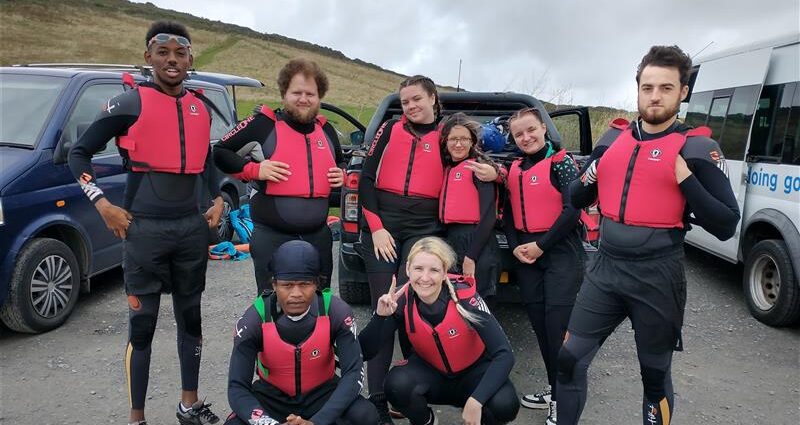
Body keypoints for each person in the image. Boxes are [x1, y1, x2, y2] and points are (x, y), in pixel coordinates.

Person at [557, 45, 740, 425]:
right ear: (638, 88)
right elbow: (575, 197)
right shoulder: (612, 140)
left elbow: (725, 224)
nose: (655, 96)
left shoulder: (697, 148)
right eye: (648, 87)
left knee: (654, 376)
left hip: (658, 273)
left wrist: (686, 179)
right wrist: (593, 171)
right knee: (570, 359)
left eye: (666, 88)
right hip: (606, 268)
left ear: (683, 92)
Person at [68, 21, 222, 425]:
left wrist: (219, 198)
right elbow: (78, 154)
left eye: (180, 53)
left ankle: (189, 405)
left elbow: (207, 164)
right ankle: (136, 417)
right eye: (163, 52)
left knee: (192, 319)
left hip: (190, 230)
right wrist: (101, 203)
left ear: (191, 60)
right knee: (143, 327)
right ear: (148, 57)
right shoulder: (129, 103)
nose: (172, 60)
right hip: (144, 231)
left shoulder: (200, 107)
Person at [356, 75, 498, 423]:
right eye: (405, 101)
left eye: (417, 99)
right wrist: (376, 228)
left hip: (423, 228)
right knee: (384, 307)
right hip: (384, 226)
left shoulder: (447, 135)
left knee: (409, 310)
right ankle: (376, 399)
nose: (411, 106)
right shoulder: (389, 130)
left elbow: (475, 161)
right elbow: (366, 178)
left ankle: (410, 390)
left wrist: (498, 174)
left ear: (433, 98)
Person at [213, 58, 344, 295]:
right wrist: (254, 170)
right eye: (297, 92)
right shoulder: (263, 125)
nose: (304, 99)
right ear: (284, 93)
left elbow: (341, 161)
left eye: (310, 94)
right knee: (272, 301)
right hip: (272, 236)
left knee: (320, 299)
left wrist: (342, 174)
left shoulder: (326, 130)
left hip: (318, 235)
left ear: (319, 97)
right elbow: (220, 152)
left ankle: (322, 333)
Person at [358, 237, 519, 425]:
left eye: (434, 270)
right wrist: (380, 316)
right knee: (396, 385)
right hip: (432, 375)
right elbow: (364, 352)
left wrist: (477, 400)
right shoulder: (400, 299)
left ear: (444, 273)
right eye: (418, 269)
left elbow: (505, 354)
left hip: (473, 374)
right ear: (408, 268)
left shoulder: (466, 298)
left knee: (505, 404)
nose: (425, 278)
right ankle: (427, 421)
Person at [225, 240, 377, 425]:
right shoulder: (253, 320)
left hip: (322, 395)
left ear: (316, 284)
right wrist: (267, 423)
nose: (296, 293)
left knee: (365, 415)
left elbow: (353, 373)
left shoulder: (336, 311)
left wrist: (317, 422)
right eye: (287, 285)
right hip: (272, 398)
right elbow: (237, 387)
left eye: (305, 284)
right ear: (274, 285)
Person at [502, 107, 585, 424]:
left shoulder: (562, 163)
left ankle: (563, 399)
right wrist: (515, 247)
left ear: (543, 129)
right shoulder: (515, 168)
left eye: (531, 130)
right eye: (519, 134)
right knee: (540, 328)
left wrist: (541, 246)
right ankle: (555, 389)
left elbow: (572, 211)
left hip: (559, 251)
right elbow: (508, 213)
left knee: (557, 331)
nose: (526, 137)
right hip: (526, 254)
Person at [438, 113, 501, 305]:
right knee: (455, 303)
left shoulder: (480, 170)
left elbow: (489, 217)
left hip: (476, 243)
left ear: (472, 141)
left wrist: (471, 257)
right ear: (446, 142)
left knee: (476, 305)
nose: (458, 144)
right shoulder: (447, 168)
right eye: (453, 139)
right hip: (452, 240)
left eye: (464, 139)